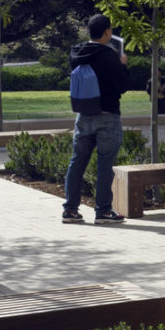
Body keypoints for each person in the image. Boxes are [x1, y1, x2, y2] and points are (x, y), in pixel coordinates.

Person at [63, 14, 129, 225]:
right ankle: (103, 211)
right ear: (107, 32)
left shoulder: (76, 53)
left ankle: (70, 210)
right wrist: (123, 65)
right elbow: (121, 86)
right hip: (107, 117)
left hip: (83, 115)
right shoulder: (108, 55)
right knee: (104, 164)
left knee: (77, 162)